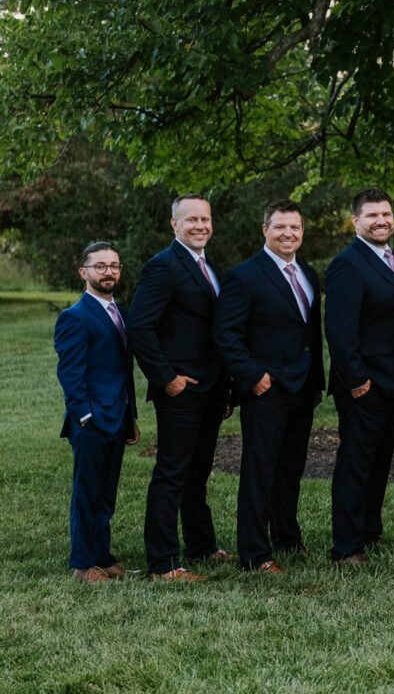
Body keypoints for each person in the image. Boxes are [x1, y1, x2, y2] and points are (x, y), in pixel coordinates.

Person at [213, 199, 325, 572]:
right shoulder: (244, 276)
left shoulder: (307, 272)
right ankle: (254, 553)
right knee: (260, 472)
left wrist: (316, 381)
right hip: (267, 389)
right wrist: (253, 377)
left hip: (302, 389)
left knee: (290, 468)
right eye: (280, 227)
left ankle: (287, 538)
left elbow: (310, 331)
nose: (288, 234)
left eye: (294, 227)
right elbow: (226, 335)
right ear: (265, 230)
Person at [127, 194, 232, 578]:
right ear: (175, 225)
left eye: (205, 219)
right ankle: (163, 561)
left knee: (197, 472)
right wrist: (166, 378)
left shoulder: (210, 266)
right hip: (180, 390)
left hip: (210, 388)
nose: (200, 226)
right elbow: (139, 327)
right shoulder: (163, 266)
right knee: (171, 473)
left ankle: (201, 546)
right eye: (191, 220)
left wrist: (225, 387)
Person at [323, 188, 394, 566]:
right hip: (363, 384)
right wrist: (358, 380)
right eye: (372, 215)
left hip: (391, 382)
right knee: (356, 464)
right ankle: (347, 546)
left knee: (378, 462)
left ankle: (369, 533)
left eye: (386, 214)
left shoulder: (391, 259)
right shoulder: (348, 263)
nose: (381, 221)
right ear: (356, 221)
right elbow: (340, 331)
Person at [55, 242, 139, 583]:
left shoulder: (119, 312)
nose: (109, 272)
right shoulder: (74, 317)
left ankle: (103, 557)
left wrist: (130, 416)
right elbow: (70, 373)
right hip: (91, 421)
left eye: (114, 266)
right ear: (83, 272)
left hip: (117, 418)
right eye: (100, 266)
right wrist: (85, 417)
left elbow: (123, 370)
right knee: (86, 494)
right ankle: (82, 563)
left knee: (106, 493)